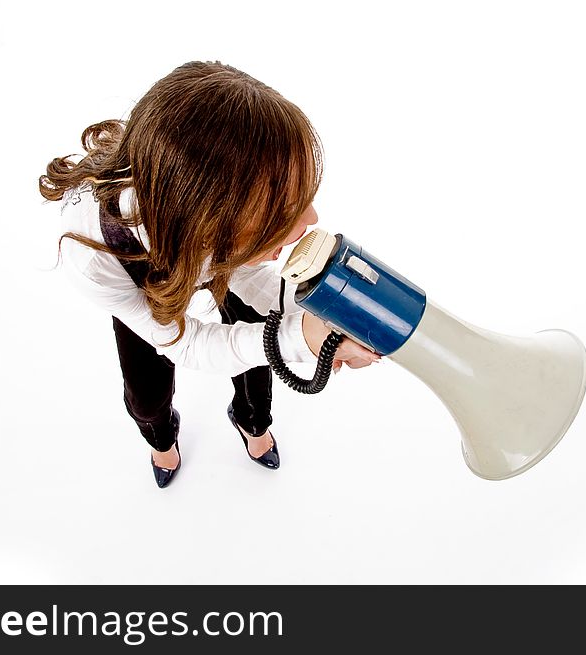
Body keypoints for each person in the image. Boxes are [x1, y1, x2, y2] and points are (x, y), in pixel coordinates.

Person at [38, 61, 379, 488]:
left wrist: (323, 318)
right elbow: (190, 343)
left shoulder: (215, 199)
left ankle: (253, 423)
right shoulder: (91, 255)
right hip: (142, 287)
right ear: (207, 222)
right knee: (146, 393)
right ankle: (161, 438)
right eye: (281, 210)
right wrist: (302, 337)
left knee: (256, 350)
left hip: (214, 247)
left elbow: (246, 279)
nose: (310, 219)